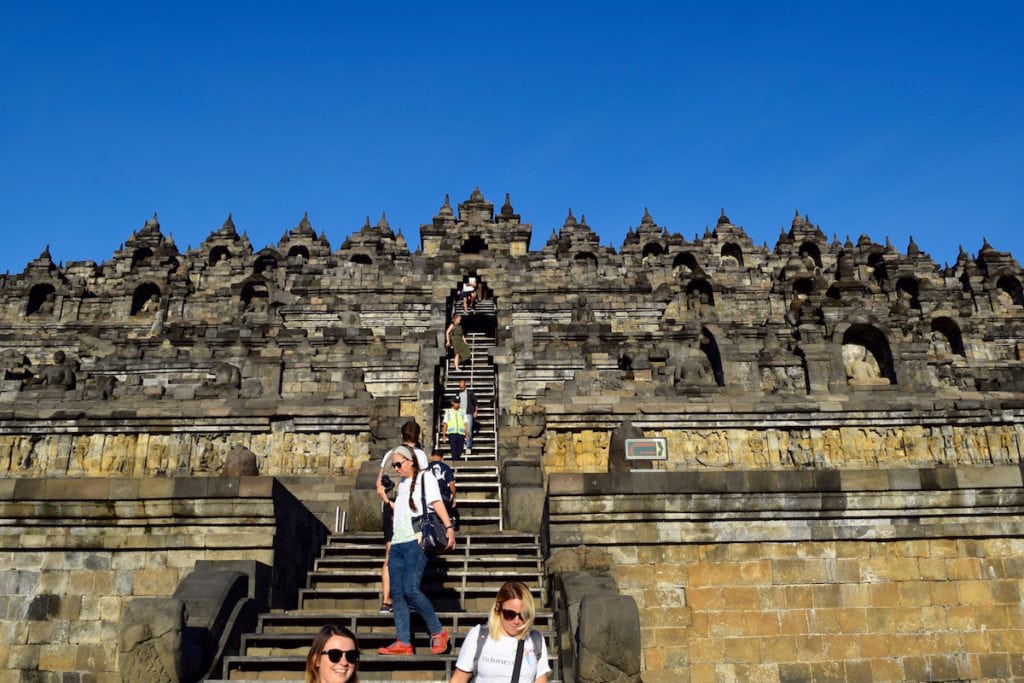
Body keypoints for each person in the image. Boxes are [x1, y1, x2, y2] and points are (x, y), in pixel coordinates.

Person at [377, 445, 456, 656]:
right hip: (397, 543)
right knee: (397, 593)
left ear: (410, 461)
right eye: (393, 465)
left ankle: (438, 631)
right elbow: (402, 509)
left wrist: (449, 527)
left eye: (398, 464)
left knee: (410, 589)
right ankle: (403, 641)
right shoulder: (401, 483)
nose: (395, 468)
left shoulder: (425, 477)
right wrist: (385, 498)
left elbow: (436, 502)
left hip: (416, 540)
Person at [376, 420, 430, 613]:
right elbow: (424, 484)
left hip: (391, 508)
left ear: (401, 435)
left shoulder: (390, 454)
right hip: (409, 510)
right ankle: (408, 597)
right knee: (411, 554)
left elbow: (379, 485)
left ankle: (387, 600)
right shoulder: (421, 456)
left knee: (390, 554)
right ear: (418, 437)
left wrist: (390, 504)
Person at [449, 582, 550, 683]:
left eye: (523, 615)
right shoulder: (479, 635)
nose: (516, 621)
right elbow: (459, 679)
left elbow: (541, 680)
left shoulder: (536, 640)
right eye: (509, 614)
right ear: (498, 607)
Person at [429, 448, 458, 530]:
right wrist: (454, 497)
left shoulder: (426, 468)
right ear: (442, 458)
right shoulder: (446, 468)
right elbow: (451, 484)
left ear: (431, 457)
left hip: (429, 497)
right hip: (443, 496)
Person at [441, 395, 468, 461]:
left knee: (459, 450)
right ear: (452, 402)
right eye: (456, 402)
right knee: (453, 450)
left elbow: (465, 423)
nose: (457, 404)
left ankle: (457, 463)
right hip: (452, 434)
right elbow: (445, 424)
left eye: (458, 403)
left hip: (461, 433)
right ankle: (455, 463)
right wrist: (444, 435)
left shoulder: (462, 411)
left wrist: (467, 434)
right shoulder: (448, 412)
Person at [456, 379, 478, 455]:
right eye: (460, 387)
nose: (461, 388)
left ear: (465, 386)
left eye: (462, 387)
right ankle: (463, 443)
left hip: (468, 413)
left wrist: (476, 411)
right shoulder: (458, 393)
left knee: (468, 430)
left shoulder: (470, 393)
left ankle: (468, 447)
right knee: (461, 431)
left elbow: (475, 402)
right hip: (460, 414)